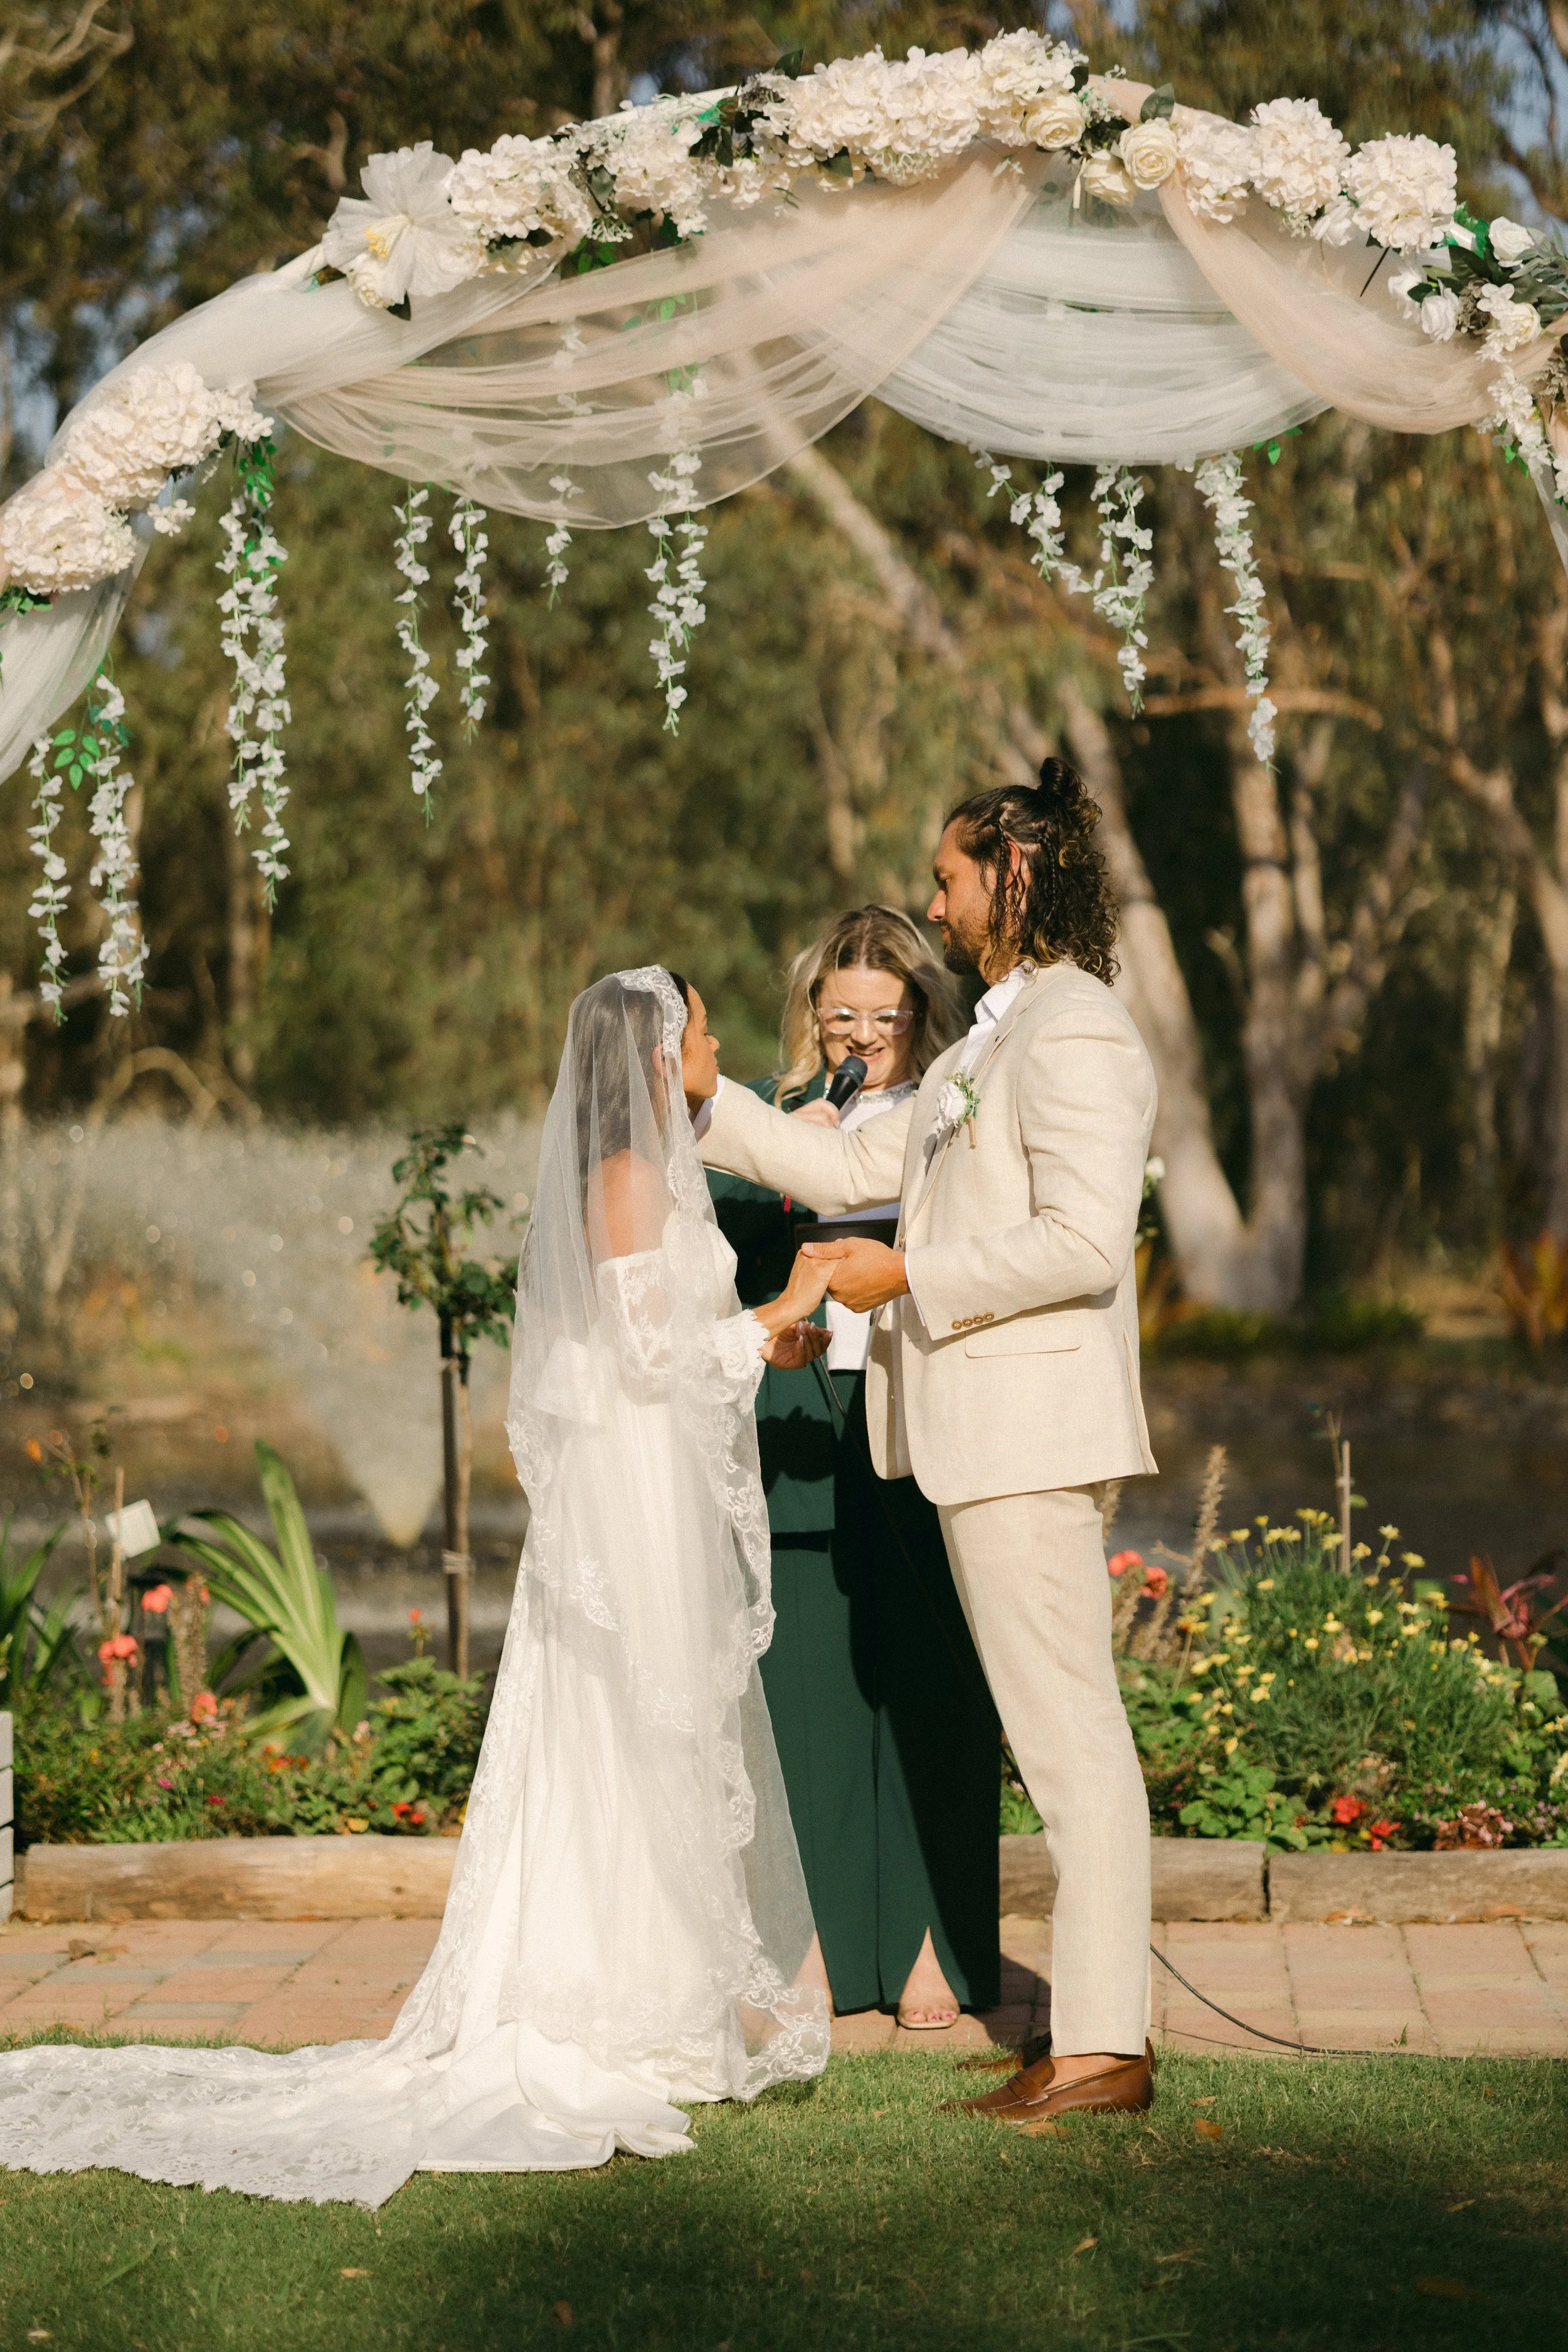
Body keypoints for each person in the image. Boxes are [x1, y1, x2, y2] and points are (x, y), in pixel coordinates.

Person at [0, 968, 834, 2205]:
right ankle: (606, 2006)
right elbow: (650, 1356)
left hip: (649, 1488)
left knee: (655, 1731)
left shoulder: (657, 1170)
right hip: (631, 1500)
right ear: (658, 1052)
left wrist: (763, 1325)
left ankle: (668, 2008)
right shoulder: (620, 1180)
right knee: (621, 1727)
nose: (715, 1042)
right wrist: (782, 1310)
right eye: (699, 1025)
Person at [696, 767, 1160, 2126]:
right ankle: (1084, 2035)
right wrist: (708, 1093)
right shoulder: (978, 1052)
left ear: (1012, 875)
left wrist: (901, 1284)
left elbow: (1081, 1245)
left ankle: (1101, 2053)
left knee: (1072, 1747)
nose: (934, 900)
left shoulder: (1076, 1034)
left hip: (1022, 1434)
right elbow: (849, 1173)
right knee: (1055, 1741)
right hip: (971, 1442)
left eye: (950, 875)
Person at [707, 908, 1000, 2032]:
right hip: (803, 1422)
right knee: (811, 1695)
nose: (863, 1037)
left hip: (925, 1414)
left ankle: (938, 1937)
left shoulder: (952, 1115)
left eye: (885, 1016)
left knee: (935, 1679)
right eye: (843, 1015)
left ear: (922, 1015)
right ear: (812, 1014)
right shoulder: (776, 1123)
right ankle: (823, 1936)